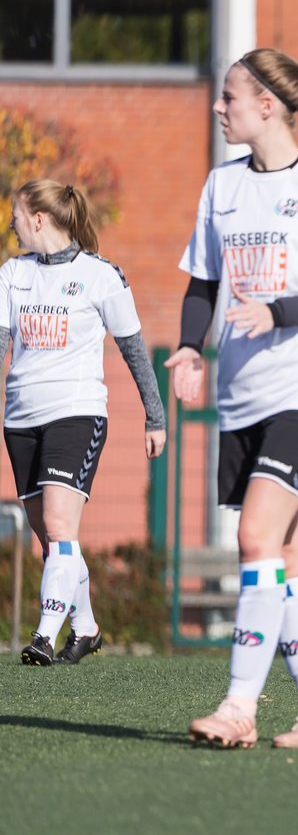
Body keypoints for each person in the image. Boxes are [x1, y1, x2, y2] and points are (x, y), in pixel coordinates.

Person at [168, 48, 298, 748]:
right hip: (242, 394)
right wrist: (192, 348)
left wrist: (278, 312)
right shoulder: (222, 185)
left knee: (253, 537)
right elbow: (202, 283)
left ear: (267, 107)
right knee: (285, 559)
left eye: (228, 97)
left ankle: (238, 708)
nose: (218, 108)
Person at [2, 180, 167, 666]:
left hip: (76, 414)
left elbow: (136, 353)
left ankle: (43, 636)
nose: (10, 222)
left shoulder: (100, 276)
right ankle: (88, 628)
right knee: (50, 536)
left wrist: (154, 417)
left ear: (38, 218)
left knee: (58, 524)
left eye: (15, 213)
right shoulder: (13, 273)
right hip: (21, 419)